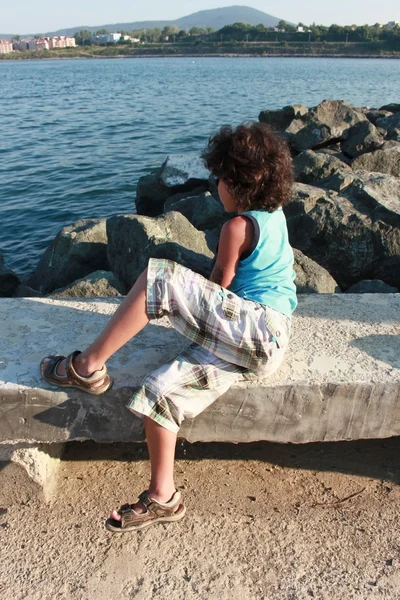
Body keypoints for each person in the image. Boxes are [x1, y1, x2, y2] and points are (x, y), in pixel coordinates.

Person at [40, 122, 297, 532]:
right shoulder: (274, 215)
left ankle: (86, 367)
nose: (215, 185)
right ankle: (164, 497)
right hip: (262, 341)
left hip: (256, 326)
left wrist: (178, 303)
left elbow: (220, 282)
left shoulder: (237, 227)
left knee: (160, 278)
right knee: (158, 395)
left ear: (241, 183)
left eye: (221, 177)